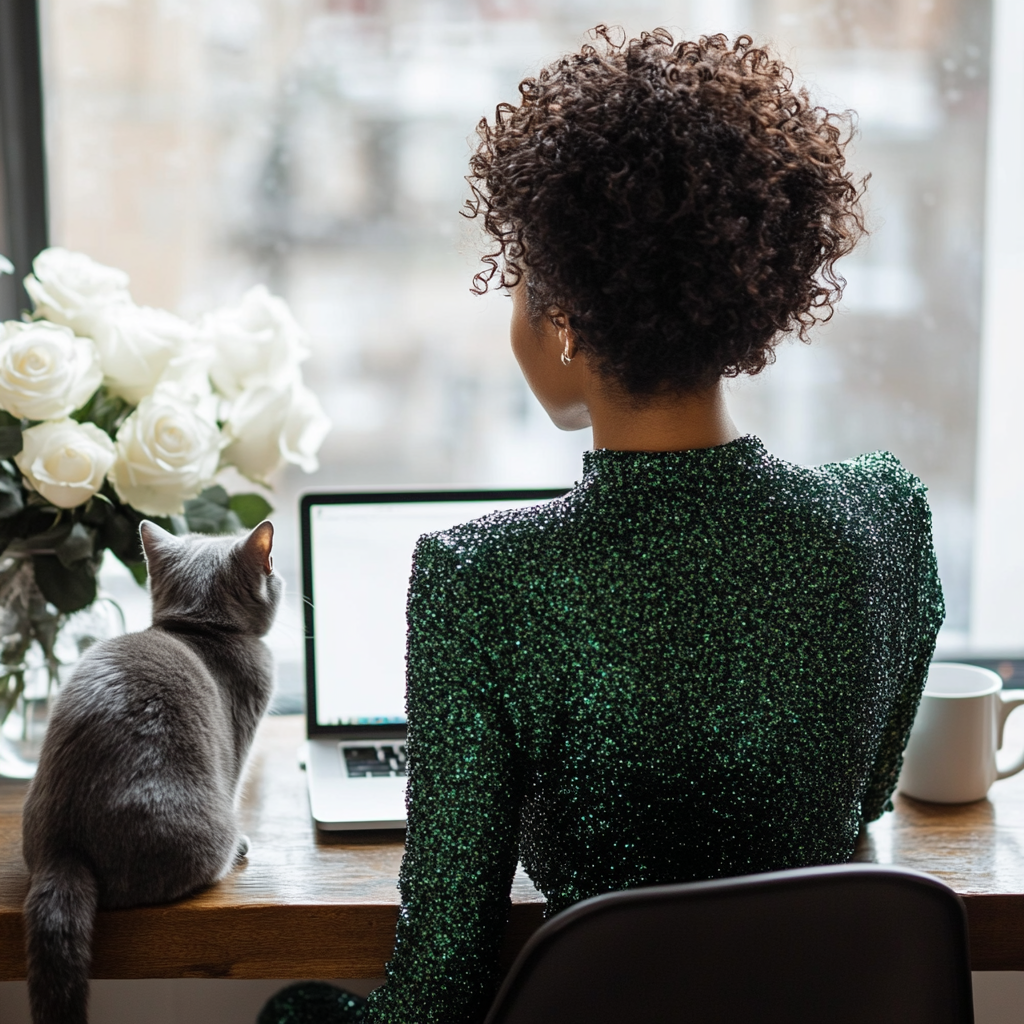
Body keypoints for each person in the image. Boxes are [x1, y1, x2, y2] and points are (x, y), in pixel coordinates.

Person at [261, 27, 943, 1024]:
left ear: (566, 316)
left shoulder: (480, 580)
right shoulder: (884, 517)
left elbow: (438, 996)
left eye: (520, 284)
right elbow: (859, 806)